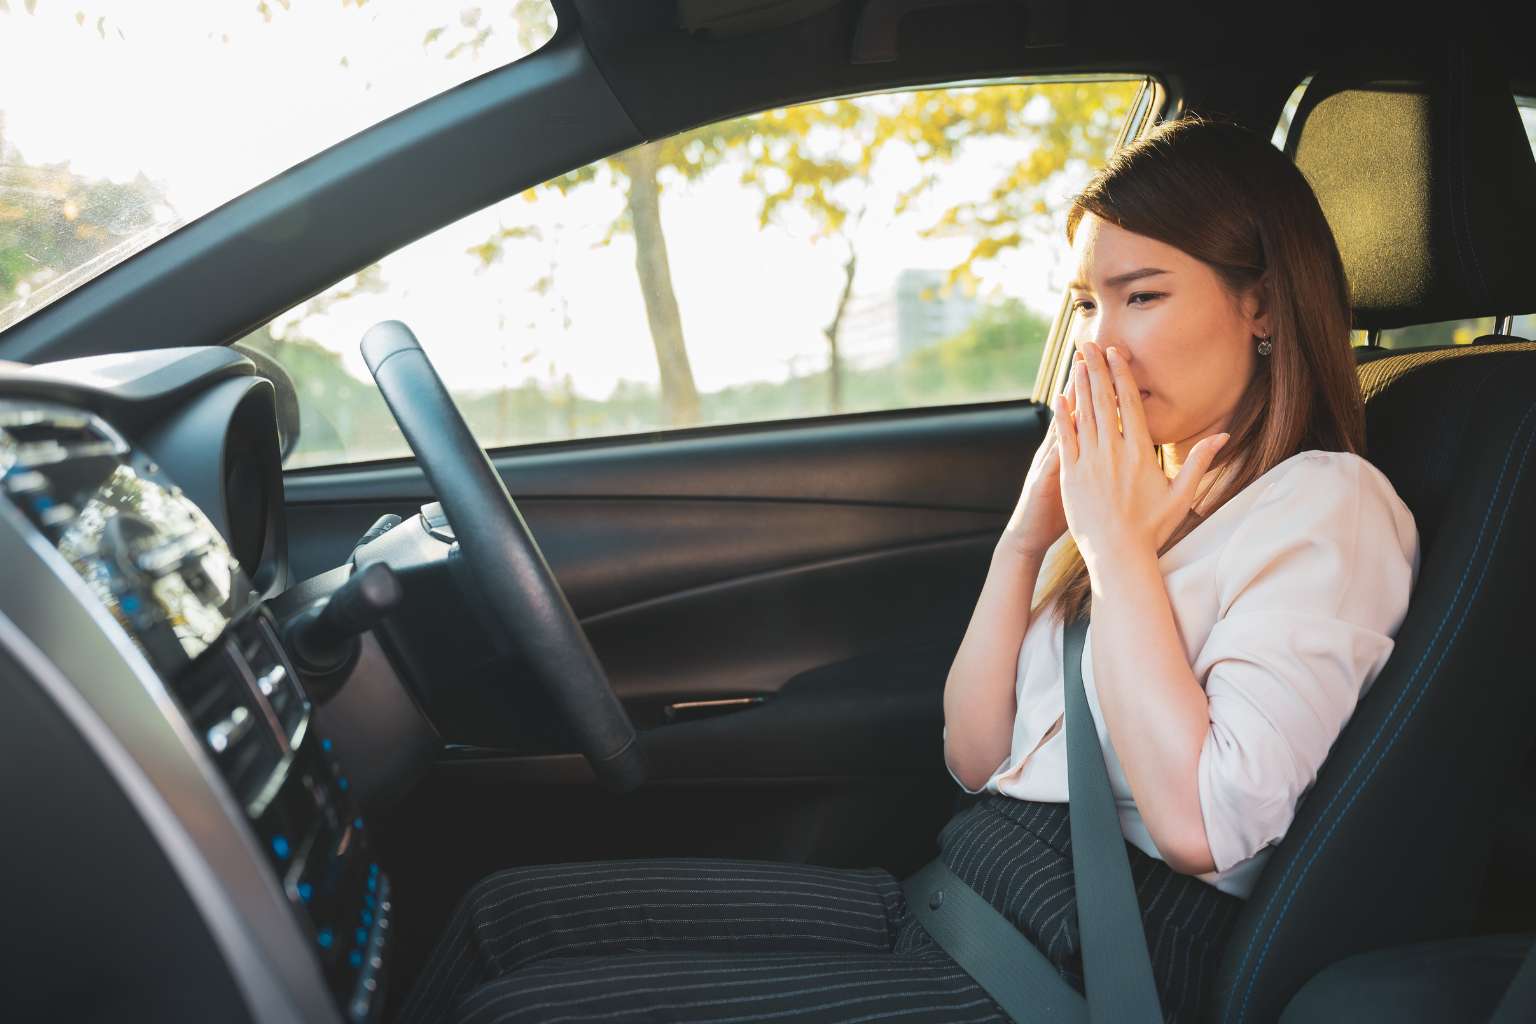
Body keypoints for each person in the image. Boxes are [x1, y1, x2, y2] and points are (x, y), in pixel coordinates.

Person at [393, 113, 1421, 1024]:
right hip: (954, 898)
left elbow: (1204, 824)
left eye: (1140, 296)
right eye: (1087, 306)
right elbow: (975, 759)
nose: (1100, 345)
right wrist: (1032, 537)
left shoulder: (1326, 503)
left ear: (1265, 309)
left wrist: (1116, 556)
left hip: (1073, 968)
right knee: (501, 916)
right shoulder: (1134, 502)